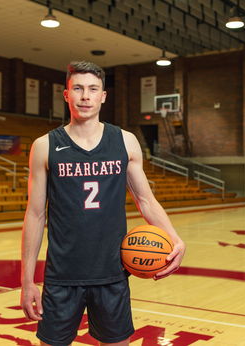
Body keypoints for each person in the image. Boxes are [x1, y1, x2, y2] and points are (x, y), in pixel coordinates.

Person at [20, 61, 186, 346]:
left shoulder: (125, 141)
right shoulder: (45, 146)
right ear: (66, 94)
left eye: (93, 89)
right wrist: (26, 281)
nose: (85, 96)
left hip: (112, 273)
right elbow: (35, 216)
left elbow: (146, 200)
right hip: (62, 276)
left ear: (103, 96)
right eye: (78, 89)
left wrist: (174, 238)